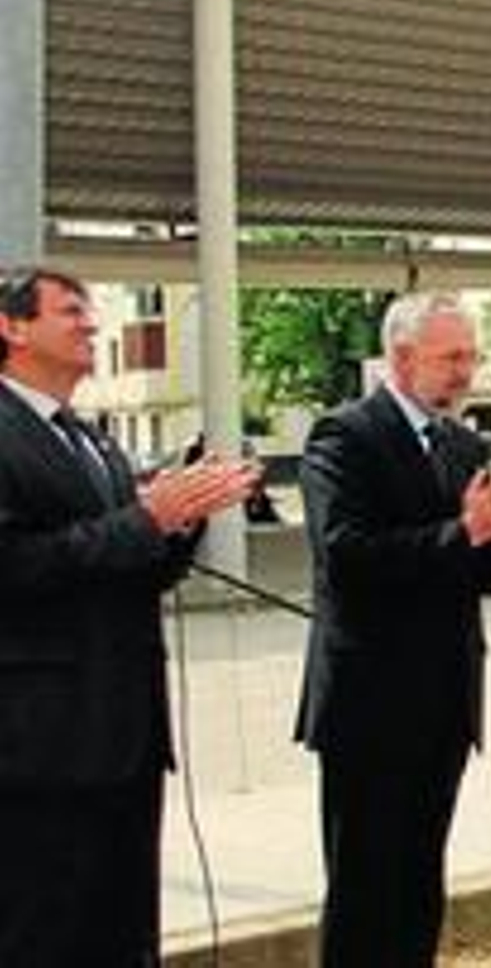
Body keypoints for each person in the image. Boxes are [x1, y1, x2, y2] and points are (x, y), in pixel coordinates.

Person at [295, 292, 491, 966]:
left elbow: (481, 573)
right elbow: (348, 558)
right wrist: (468, 530)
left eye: (472, 356)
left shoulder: (461, 442)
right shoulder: (345, 436)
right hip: (371, 703)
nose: (466, 371)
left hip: (445, 699)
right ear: (401, 356)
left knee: (421, 881)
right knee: (367, 888)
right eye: (451, 357)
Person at [0, 266, 258, 965]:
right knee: (42, 934)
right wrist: (143, 519)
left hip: (124, 736)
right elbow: (16, 566)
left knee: (121, 932)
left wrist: (181, 521)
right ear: (12, 326)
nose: (91, 323)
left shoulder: (95, 440)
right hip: (40, 746)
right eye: (70, 310)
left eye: (90, 310)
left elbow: (134, 572)